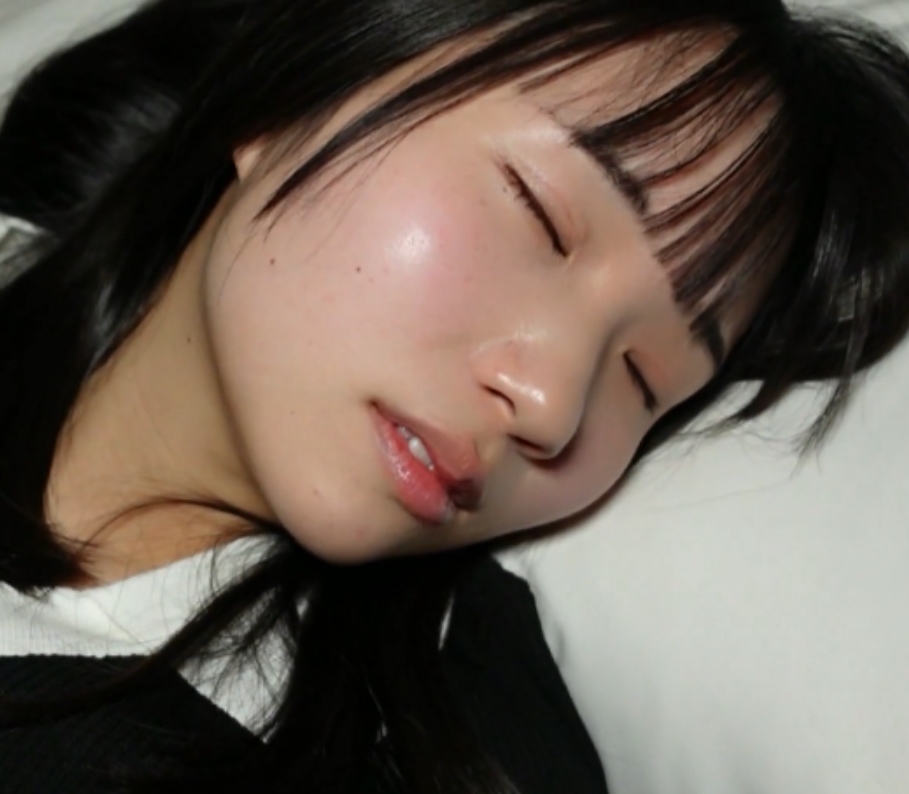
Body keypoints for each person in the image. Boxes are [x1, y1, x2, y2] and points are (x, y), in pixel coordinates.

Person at [1, 0, 909, 791]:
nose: (552, 404)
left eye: (644, 380)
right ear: (302, 83)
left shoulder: (463, 751)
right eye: (543, 218)